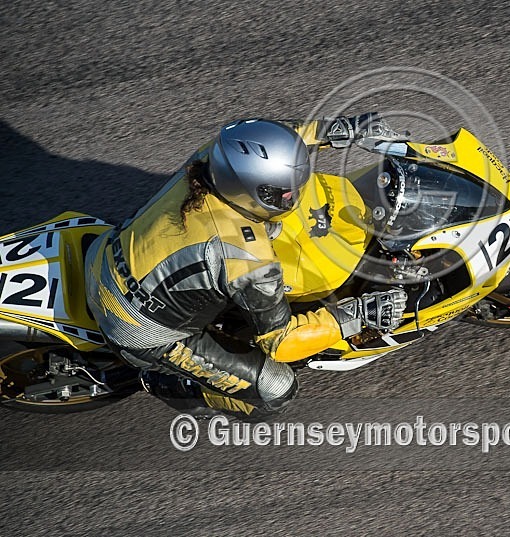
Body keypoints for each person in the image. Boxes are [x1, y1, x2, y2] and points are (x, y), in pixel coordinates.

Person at [84, 113, 408, 420]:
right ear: (255, 191)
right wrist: (358, 315)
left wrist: (339, 129)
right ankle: (166, 383)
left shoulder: (215, 156)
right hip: (137, 328)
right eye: (287, 191)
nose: (295, 194)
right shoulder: (244, 255)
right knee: (275, 390)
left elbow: (265, 138)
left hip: (107, 253)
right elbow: (281, 343)